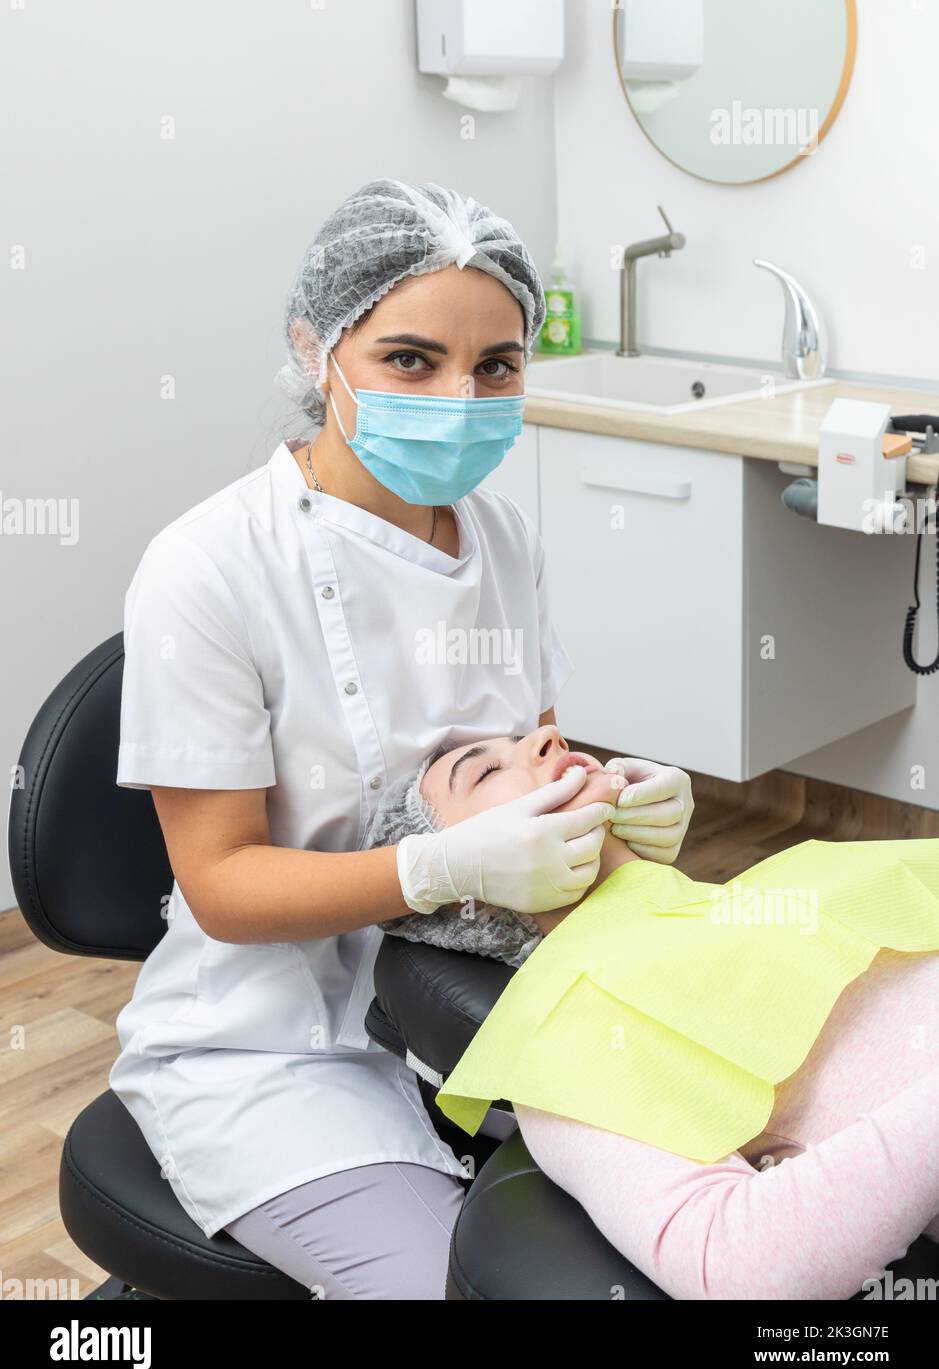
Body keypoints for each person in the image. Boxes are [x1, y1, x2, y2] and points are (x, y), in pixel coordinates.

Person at [108, 178, 695, 1301]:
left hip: (466, 1005)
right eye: (412, 360)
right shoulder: (209, 569)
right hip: (269, 1051)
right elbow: (222, 883)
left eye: (498, 366)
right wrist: (433, 870)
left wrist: (614, 796)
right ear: (315, 348)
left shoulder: (504, 536)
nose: (462, 397)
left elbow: (528, 747)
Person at [363, 726, 939, 1301]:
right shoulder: (573, 1041)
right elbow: (739, 1269)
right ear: (471, 890)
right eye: (485, 773)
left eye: (524, 738)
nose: (548, 735)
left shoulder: (739, 900)